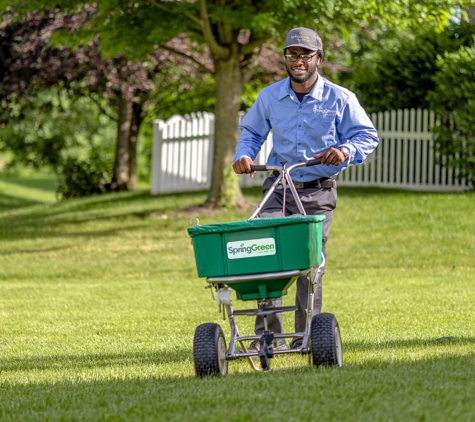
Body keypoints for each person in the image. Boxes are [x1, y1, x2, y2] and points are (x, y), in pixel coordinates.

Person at [232, 27, 379, 350]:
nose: (298, 61)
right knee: (265, 257)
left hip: (317, 191)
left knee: (309, 265)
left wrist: (344, 151)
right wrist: (243, 155)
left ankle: (307, 338)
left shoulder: (340, 98)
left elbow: (367, 137)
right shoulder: (270, 96)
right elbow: (252, 134)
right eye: (291, 54)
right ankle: (268, 338)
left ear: (319, 59)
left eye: (305, 55)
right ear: (285, 58)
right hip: (279, 188)